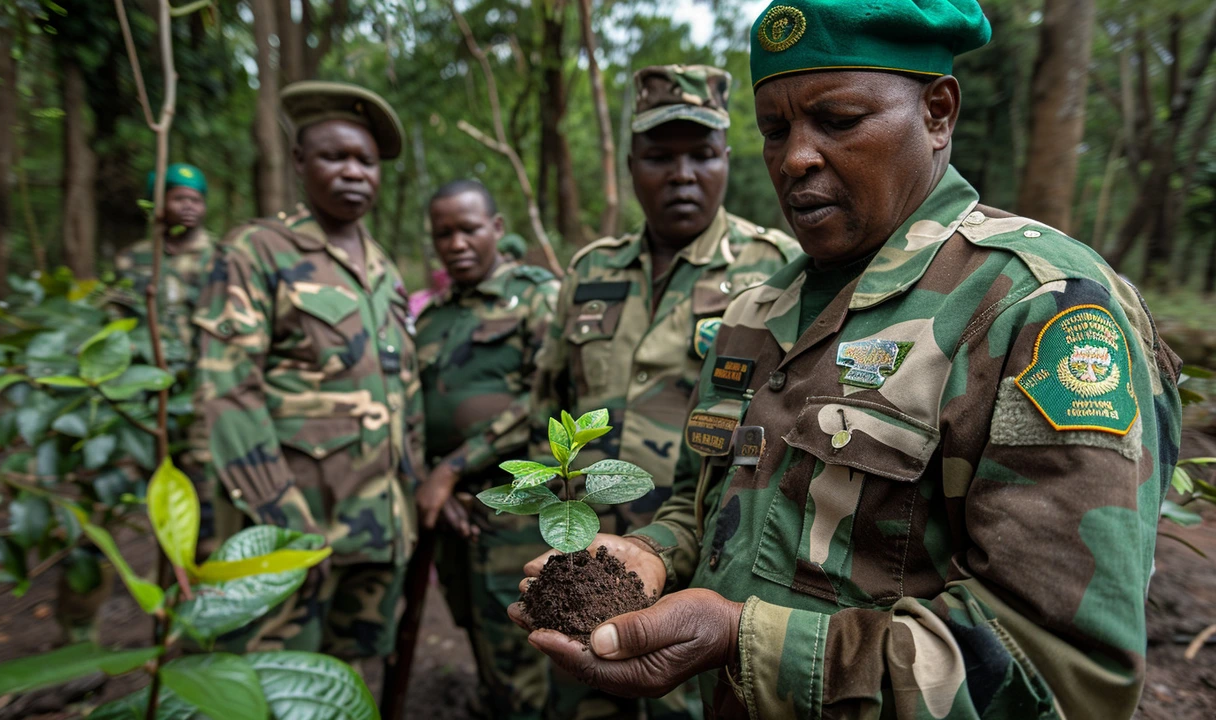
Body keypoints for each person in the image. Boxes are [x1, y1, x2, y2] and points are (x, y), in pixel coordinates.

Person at [512, 2, 1185, 719]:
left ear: (937, 112)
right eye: (775, 129)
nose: (795, 156)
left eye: (838, 121)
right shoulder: (753, 314)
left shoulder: (1037, 308)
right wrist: (650, 555)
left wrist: (740, 641)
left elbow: (1057, 671)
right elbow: (703, 504)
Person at [527, 65, 801, 720]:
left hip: (706, 580)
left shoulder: (779, 270)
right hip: (584, 564)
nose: (683, 175)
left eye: (702, 155)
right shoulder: (591, 271)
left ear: (727, 161)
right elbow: (551, 403)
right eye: (660, 156)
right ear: (629, 163)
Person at [192, 80, 422, 659]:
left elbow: (405, 392)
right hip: (294, 524)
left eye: (366, 161)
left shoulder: (384, 270)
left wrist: (412, 499)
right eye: (334, 156)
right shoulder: (256, 252)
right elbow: (228, 392)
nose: (353, 172)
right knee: (271, 678)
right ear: (299, 162)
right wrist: (281, 521)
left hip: (375, 527)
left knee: (342, 679)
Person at [414, 179, 560, 719]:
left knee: (519, 631)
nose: (456, 243)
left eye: (468, 229)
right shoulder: (431, 318)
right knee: (470, 620)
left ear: (496, 228)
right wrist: (436, 478)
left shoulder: (537, 297)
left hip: (513, 505)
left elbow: (541, 398)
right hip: (450, 511)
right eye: (442, 234)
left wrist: (452, 468)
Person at [114, 163, 215, 373]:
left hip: (201, 369)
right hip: (143, 367)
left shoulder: (221, 257)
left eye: (196, 200)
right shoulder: (132, 258)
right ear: (160, 204)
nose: (188, 206)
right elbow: (116, 313)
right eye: (179, 199)